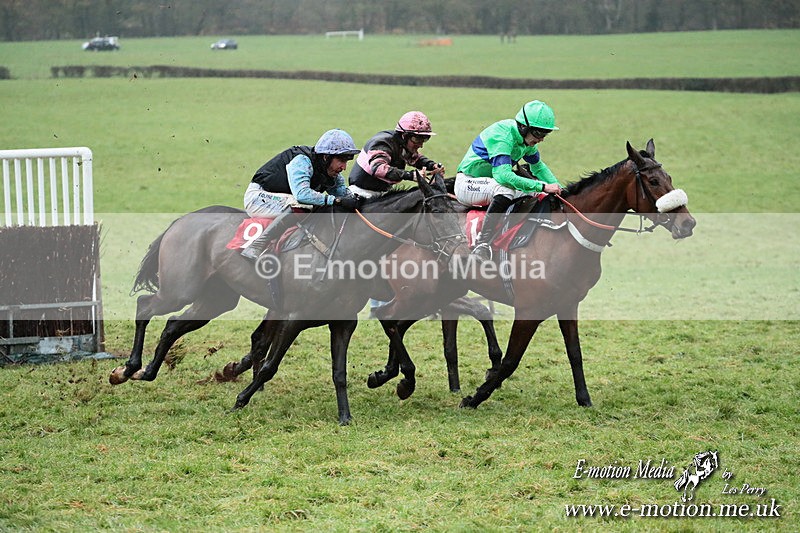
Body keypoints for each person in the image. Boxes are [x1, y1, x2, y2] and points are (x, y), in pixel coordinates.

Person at [455, 100, 564, 261]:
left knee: (537, 194)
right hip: (468, 183)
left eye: (544, 134)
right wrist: (542, 186)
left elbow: (538, 168)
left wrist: (562, 191)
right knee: (506, 189)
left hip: (490, 184)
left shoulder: (526, 141)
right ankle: (482, 244)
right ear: (524, 127)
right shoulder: (503, 135)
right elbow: (503, 176)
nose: (541, 139)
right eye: (538, 134)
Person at [241, 129, 361, 260]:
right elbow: (302, 195)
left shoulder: (332, 173)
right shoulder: (302, 160)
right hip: (259, 198)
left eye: (346, 161)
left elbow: (344, 196)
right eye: (341, 161)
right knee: (305, 204)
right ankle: (257, 245)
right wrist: (336, 201)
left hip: (283, 199)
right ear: (326, 157)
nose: (344, 167)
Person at [348, 111, 445, 199]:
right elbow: (378, 168)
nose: (420, 144)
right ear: (404, 136)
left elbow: (415, 158)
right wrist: (411, 175)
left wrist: (432, 166)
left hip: (382, 193)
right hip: (361, 193)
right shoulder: (383, 143)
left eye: (424, 139)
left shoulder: (402, 144)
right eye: (417, 139)